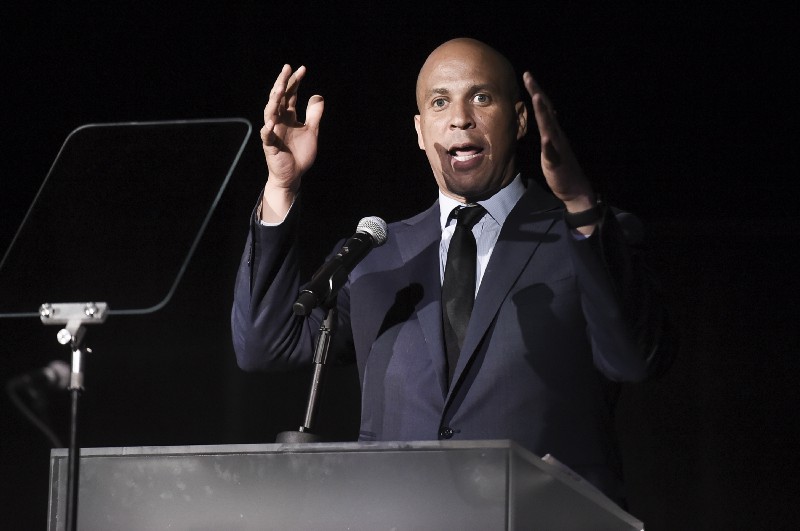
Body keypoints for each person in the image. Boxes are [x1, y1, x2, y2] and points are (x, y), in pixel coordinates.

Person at [231, 37, 671, 504]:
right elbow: (265, 344)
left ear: (520, 120)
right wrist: (282, 184)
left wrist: (581, 208)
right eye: (440, 102)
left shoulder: (584, 235)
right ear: (420, 133)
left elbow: (636, 359)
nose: (460, 117)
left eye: (481, 97)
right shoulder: (375, 254)